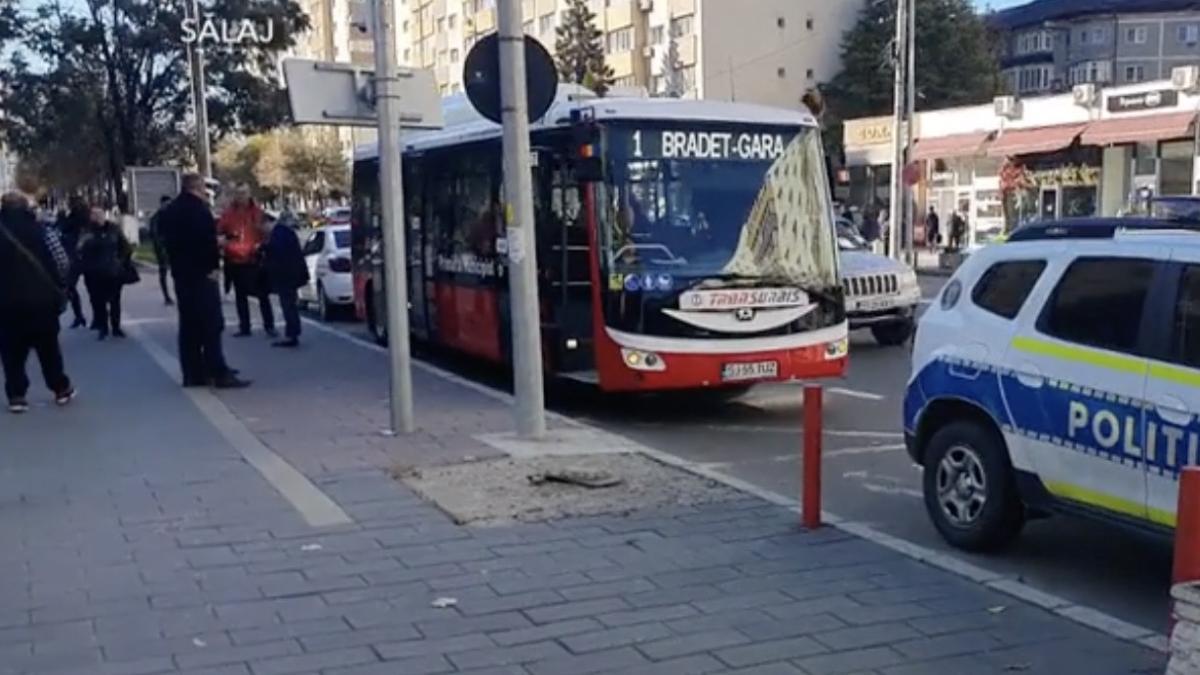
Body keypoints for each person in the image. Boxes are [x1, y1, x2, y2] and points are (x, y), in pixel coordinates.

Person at [160, 173, 249, 389]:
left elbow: (171, 241)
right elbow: (203, 243)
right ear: (197, 187)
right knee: (211, 325)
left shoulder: (171, 210)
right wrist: (214, 259)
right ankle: (218, 371)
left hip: (182, 275)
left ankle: (193, 373)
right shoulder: (199, 210)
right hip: (201, 275)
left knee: (189, 326)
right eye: (204, 187)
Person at [0, 192, 75, 413]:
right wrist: (60, 285)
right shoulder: (42, 230)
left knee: (11, 351)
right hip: (42, 301)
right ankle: (60, 388)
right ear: (26, 207)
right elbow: (62, 261)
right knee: (48, 347)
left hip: (5, 303)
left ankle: (16, 396)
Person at [218, 184, 275, 337]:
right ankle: (245, 326)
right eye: (238, 194)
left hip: (254, 258)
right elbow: (220, 231)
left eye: (244, 193)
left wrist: (262, 243)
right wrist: (225, 241)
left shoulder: (257, 212)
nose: (241, 197)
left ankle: (269, 325)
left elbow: (267, 232)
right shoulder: (229, 213)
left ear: (249, 194)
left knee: (262, 294)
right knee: (240, 296)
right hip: (235, 259)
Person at [78, 206, 132, 341]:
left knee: (115, 301)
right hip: (94, 272)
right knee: (99, 301)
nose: (96, 217)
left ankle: (116, 327)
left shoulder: (114, 229)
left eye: (98, 215)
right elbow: (79, 249)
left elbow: (125, 247)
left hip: (113, 271)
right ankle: (103, 327)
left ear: (103, 216)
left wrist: (120, 261)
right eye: (93, 215)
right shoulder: (87, 231)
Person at [260, 213, 310, 348]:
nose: (262, 230)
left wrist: (264, 250)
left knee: (288, 305)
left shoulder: (279, 234)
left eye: (262, 227)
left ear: (267, 223)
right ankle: (292, 332)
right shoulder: (284, 232)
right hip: (291, 274)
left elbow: (278, 254)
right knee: (289, 304)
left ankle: (291, 334)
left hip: (286, 276)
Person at [55, 196, 89, 328]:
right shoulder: (85, 217)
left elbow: (62, 227)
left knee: (70, 287)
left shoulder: (74, 217)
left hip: (74, 256)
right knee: (92, 289)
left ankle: (79, 315)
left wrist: (61, 215)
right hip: (84, 256)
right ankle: (91, 317)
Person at [148, 194, 175, 306]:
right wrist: (160, 246)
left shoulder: (173, 215)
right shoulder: (157, 216)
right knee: (163, 272)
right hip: (163, 247)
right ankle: (166, 296)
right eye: (166, 204)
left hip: (173, 247)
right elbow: (154, 234)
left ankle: (175, 294)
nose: (168, 206)